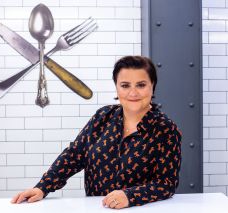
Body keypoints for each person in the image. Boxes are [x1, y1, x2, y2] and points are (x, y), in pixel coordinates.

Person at [11, 56, 182, 209]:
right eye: (125, 85)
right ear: (117, 88)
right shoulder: (103, 117)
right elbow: (74, 155)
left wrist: (130, 196)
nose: (133, 92)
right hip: (98, 209)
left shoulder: (165, 129)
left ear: (153, 86)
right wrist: (42, 187)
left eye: (141, 85)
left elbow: (166, 183)